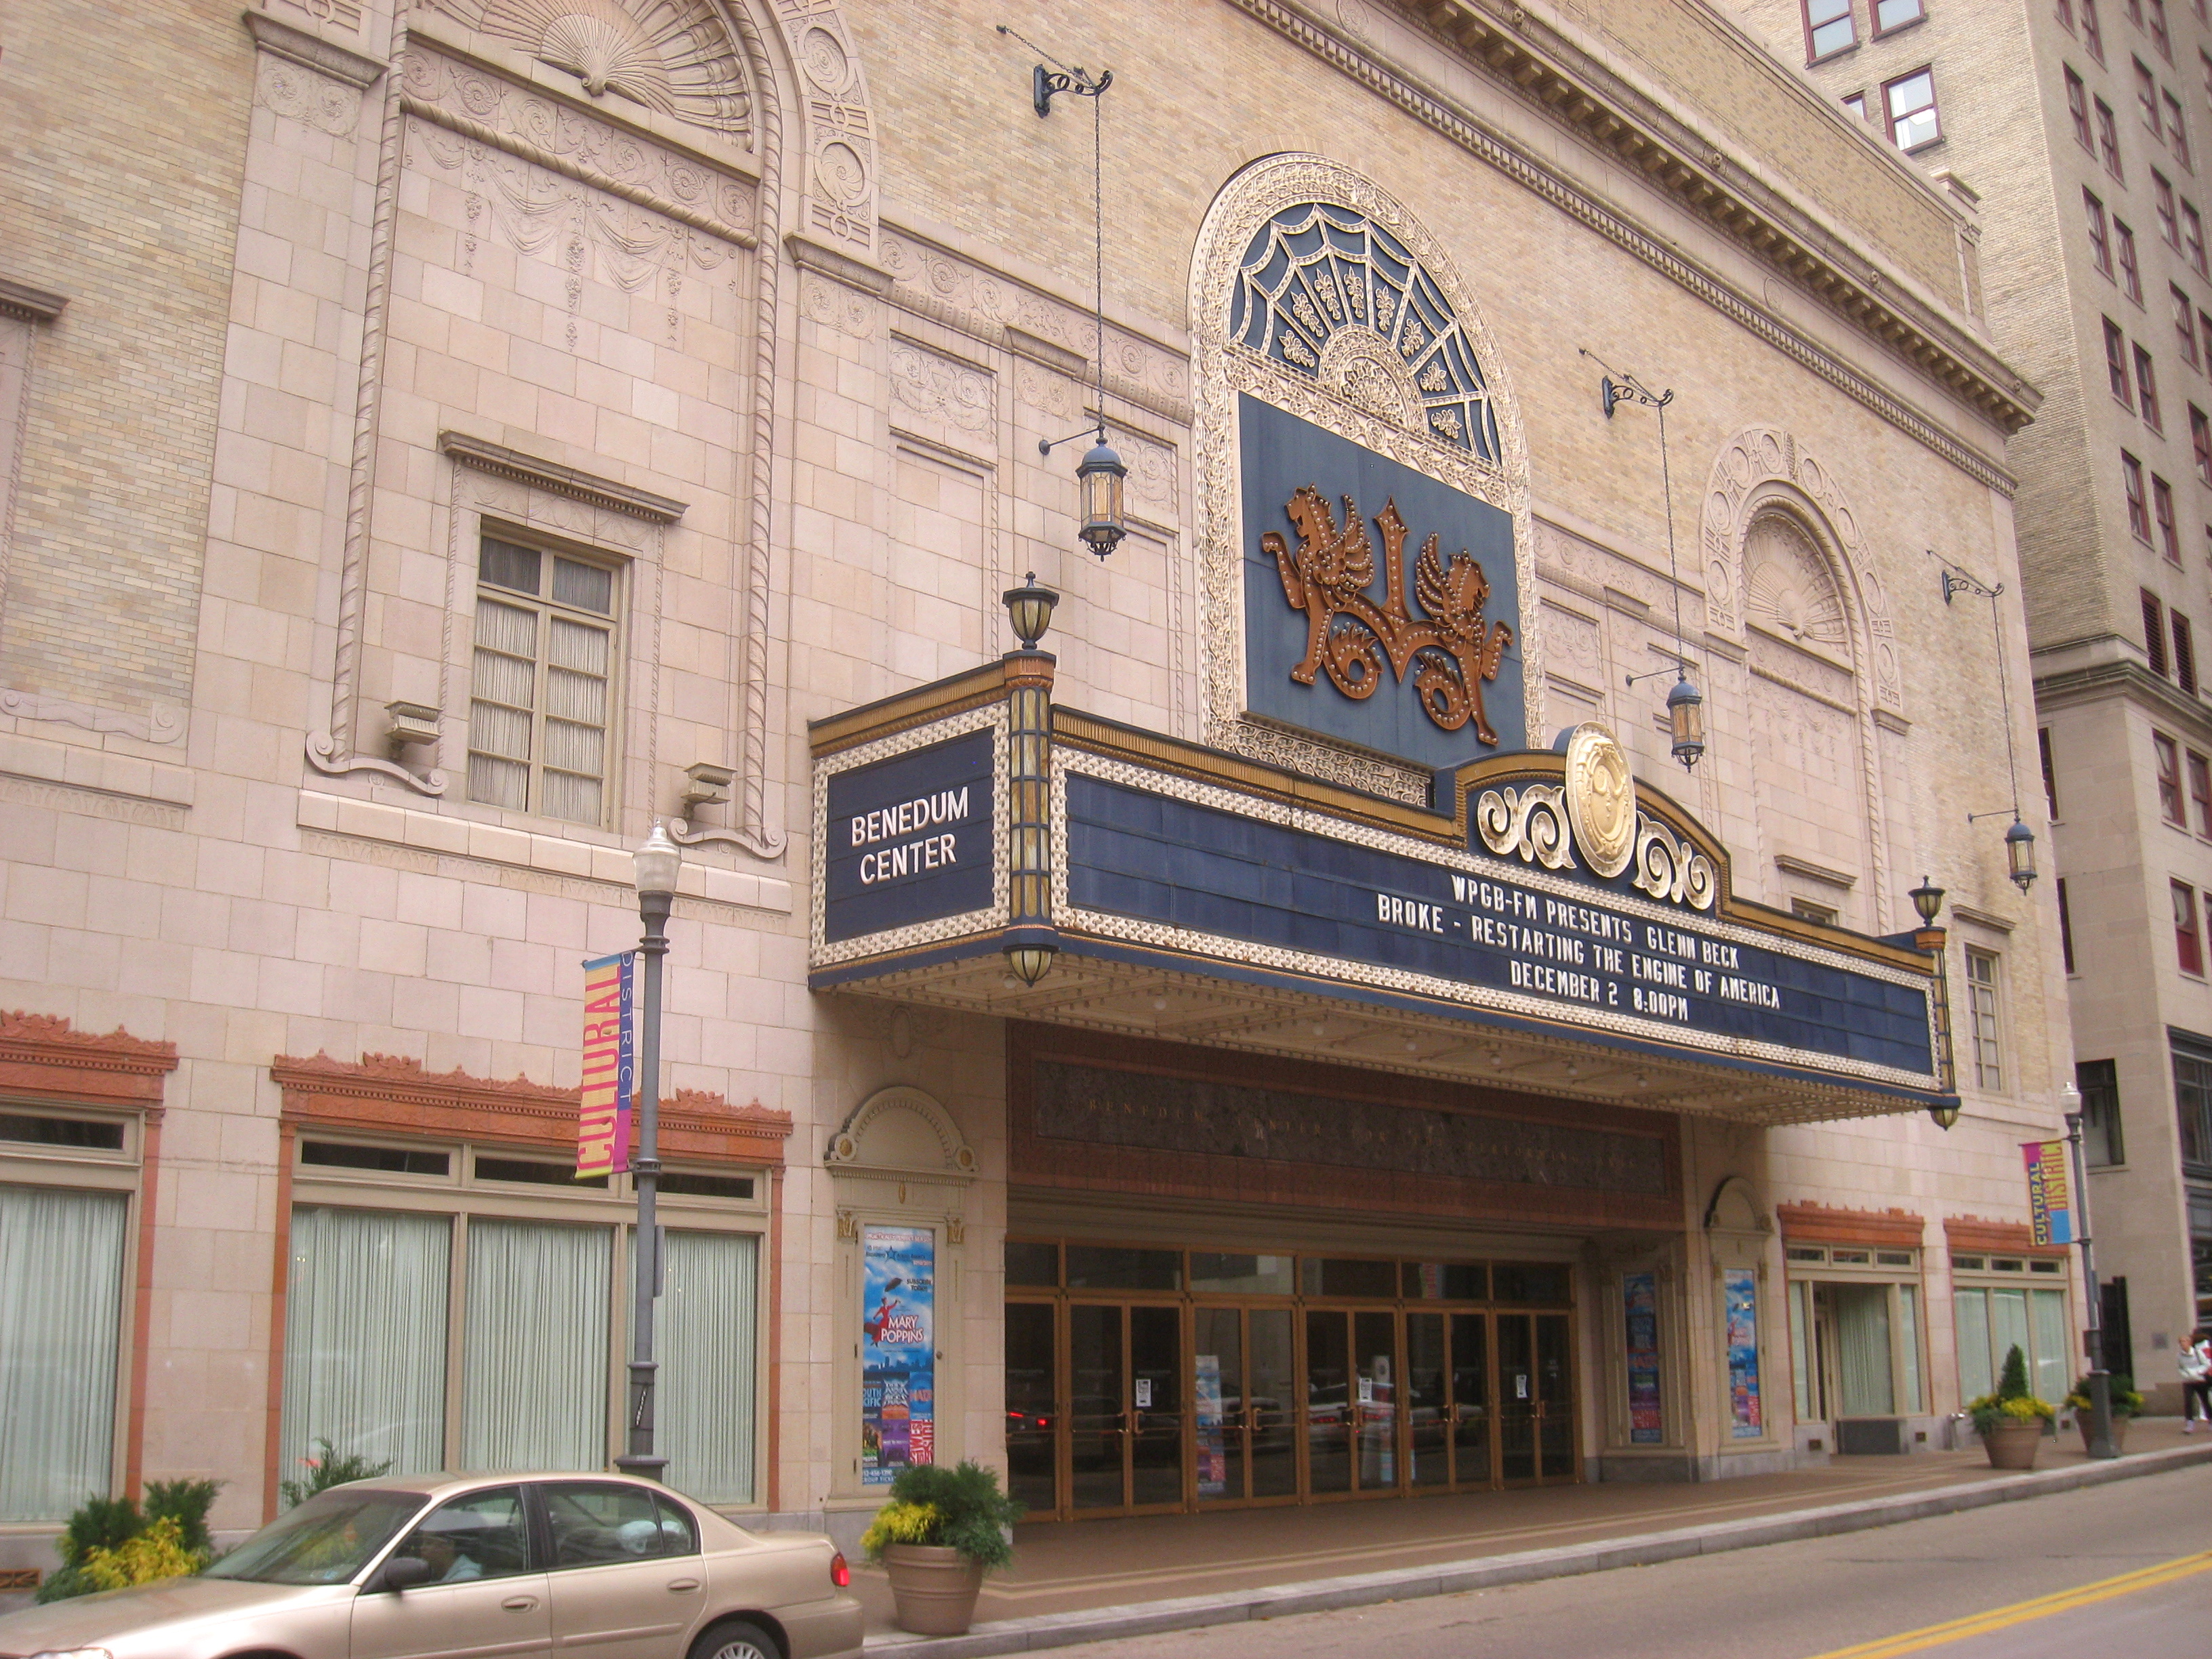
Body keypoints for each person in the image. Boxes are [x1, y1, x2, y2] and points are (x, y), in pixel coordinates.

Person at [2181, 1328, 2212, 1431]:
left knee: (2194, 1401)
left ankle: (2191, 1423)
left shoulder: (2198, 1350)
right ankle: (2195, 1422)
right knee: (2204, 1401)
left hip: (2197, 1378)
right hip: (2194, 1379)